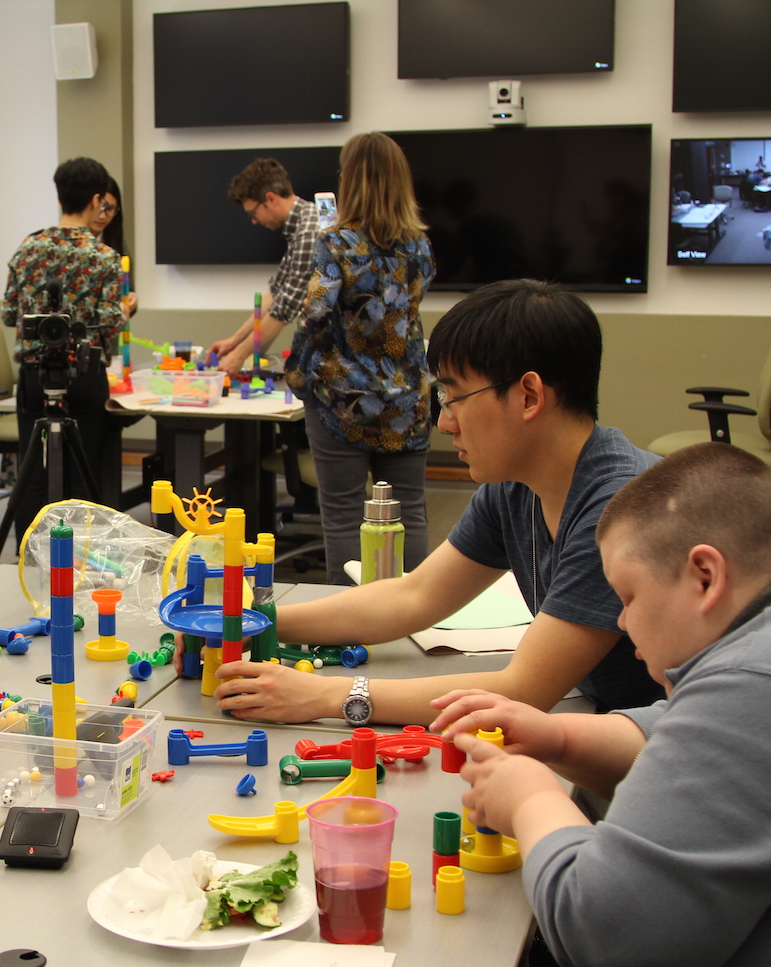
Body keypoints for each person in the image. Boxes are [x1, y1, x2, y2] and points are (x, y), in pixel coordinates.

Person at [434, 442, 771, 967]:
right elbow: (678, 731)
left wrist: (530, 799)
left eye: (628, 597)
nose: (623, 622)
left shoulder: (755, 678)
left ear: (705, 576)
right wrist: (559, 738)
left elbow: (609, 936)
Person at [205, 279, 665, 727]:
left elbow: (525, 690)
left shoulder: (621, 509)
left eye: (454, 396)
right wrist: (251, 619)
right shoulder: (517, 486)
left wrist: (325, 696)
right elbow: (415, 595)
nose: (444, 421)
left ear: (529, 396)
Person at [284, 131, 436, 583]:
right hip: (407, 400)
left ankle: (349, 623)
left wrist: (297, 375)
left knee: (345, 515)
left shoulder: (336, 243)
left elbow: (314, 313)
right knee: (411, 512)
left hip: (344, 402)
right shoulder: (420, 247)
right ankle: (416, 616)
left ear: (350, 180)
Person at [1, 157, 133, 536]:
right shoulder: (104, 256)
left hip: (33, 375)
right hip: (85, 375)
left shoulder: (28, 248)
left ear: (60, 198)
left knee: (31, 474)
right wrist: (124, 307)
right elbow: (109, 319)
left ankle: (26, 556)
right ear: (96, 199)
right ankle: (80, 562)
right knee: (84, 475)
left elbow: (10, 313)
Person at [207, 158, 323, 377]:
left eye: (253, 213)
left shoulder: (309, 232)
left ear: (270, 199)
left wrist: (239, 356)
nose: (254, 221)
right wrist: (234, 342)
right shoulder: (300, 227)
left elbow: (284, 309)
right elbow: (276, 294)